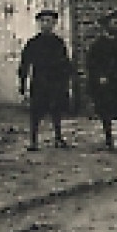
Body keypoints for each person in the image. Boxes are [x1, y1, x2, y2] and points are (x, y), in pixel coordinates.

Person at [18, 8, 74, 151]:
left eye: (49, 21)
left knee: (56, 110)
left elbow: (65, 63)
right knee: (36, 111)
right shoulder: (33, 43)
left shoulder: (58, 43)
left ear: (54, 24)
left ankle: (58, 137)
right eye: (43, 21)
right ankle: (33, 140)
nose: (45, 24)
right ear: (39, 24)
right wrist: (23, 84)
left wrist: (66, 82)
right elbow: (25, 64)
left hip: (55, 81)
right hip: (39, 81)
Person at [85, 10, 117, 151]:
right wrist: (99, 76)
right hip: (105, 84)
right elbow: (91, 64)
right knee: (105, 112)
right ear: (107, 26)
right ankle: (108, 140)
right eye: (114, 23)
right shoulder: (98, 45)